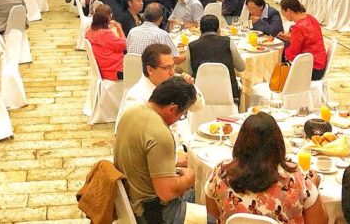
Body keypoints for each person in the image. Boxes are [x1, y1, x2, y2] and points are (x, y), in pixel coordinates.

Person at [205, 112, 328, 224]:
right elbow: (320, 222)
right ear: (278, 144)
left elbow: (213, 212)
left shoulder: (222, 173)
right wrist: (314, 188)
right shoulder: (297, 180)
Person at [115, 76, 198, 223]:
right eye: (183, 114)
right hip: (154, 213)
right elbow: (166, 193)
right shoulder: (159, 133)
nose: (180, 118)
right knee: (217, 214)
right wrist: (189, 177)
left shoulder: (131, 112)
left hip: (131, 201)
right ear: (173, 109)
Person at [185, 15, 245, 105]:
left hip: (201, 96)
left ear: (200, 30)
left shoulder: (191, 46)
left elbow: (190, 74)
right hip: (229, 94)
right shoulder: (227, 42)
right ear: (218, 29)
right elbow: (241, 67)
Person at [278, 0, 328, 79]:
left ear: (288, 11)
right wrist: (291, 38)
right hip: (320, 63)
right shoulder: (310, 18)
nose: (283, 16)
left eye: (283, 12)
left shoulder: (298, 28)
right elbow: (308, 39)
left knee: (282, 56)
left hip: (311, 69)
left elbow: (292, 53)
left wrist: (282, 52)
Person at [84, 5, 127, 81]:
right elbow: (124, 45)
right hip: (114, 71)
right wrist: (119, 28)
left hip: (102, 69)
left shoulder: (89, 31)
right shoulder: (106, 34)